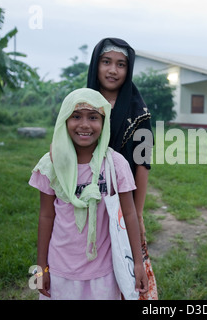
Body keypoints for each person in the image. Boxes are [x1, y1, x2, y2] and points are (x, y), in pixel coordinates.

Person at [29, 88, 148, 299]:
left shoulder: (115, 164)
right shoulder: (51, 164)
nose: (84, 125)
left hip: (104, 272)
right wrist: (40, 269)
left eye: (93, 117)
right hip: (59, 271)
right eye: (76, 116)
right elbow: (46, 216)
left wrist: (138, 263)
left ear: (104, 123)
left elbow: (128, 215)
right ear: (64, 120)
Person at [87, 38, 152, 247]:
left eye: (121, 64)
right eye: (106, 61)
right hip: (84, 195)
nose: (113, 70)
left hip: (123, 201)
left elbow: (143, 163)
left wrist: (138, 214)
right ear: (96, 64)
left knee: (122, 260)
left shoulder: (139, 113)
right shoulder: (82, 104)